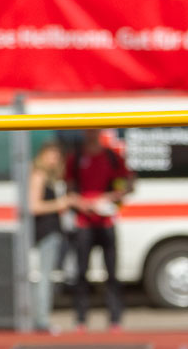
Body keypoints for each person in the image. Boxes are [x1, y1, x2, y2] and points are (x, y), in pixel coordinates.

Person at [64, 129, 133, 332]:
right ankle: (81, 319)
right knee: (81, 273)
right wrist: (82, 203)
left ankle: (114, 318)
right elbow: (69, 189)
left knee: (111, 273)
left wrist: (112, 197)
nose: (91, 134)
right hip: (84, 223)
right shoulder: (75, 158)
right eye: (88, 131)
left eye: (94, 131)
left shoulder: (112, 156)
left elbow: (128, 183)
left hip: (106, 222)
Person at [28, 142, 71, 333]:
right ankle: (42, 320)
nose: (55, 159)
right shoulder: (39, 175)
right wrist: (60, 204)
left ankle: (41, 318)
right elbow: (34, 206)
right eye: (51, 155)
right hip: (45, 232)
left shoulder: (50, 177)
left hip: (51, 231)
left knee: (46, 276)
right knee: (44, 277)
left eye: (57, 156)